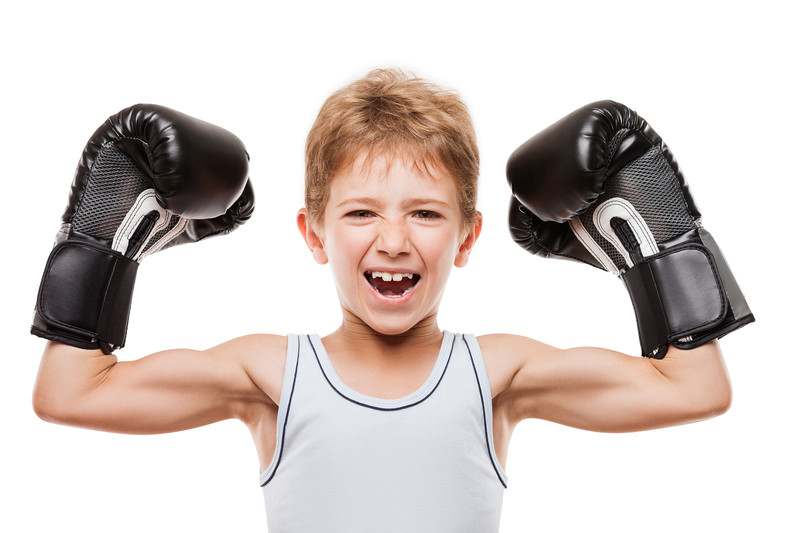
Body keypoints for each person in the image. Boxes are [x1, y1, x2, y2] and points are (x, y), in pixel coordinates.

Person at [31, 71, 754, 533]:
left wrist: (657, 233)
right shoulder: (272, 375)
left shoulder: (496, 374)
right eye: (361, 213)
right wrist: (103, 230)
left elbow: (697, 388)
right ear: (313, 233)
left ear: (468, 237)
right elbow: (69, 392)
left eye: (426, 214)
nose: (394, 241)